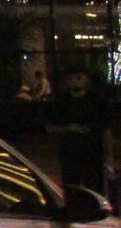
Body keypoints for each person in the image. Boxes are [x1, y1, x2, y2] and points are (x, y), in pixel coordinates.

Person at [47, 68, 113, 198]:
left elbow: (106, 129)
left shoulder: (96, 102)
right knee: (72, 190)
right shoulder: (61, 102)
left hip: (93, 155)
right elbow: (49, 127)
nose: (75, 81)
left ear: (86, 80)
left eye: (78, 77)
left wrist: (109, 156)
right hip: (70, 155)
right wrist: (68, 128)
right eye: (71, 78)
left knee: (95, 191)